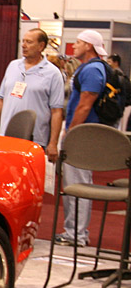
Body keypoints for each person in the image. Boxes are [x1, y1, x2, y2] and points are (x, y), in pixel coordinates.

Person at [55, 30, 110, 246]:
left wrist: (72, 131)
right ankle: (74, 232)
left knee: (78, 183)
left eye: (77, 43)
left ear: (89, 46)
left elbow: (86, 103)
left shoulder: (93, 69)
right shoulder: (90, 69)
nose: (73, 46)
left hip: (83, 135)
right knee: (74, 182)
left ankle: (76, 234)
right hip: (82, 133)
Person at [0, 28, 64, 160]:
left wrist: (53, 143)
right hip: (7, 137)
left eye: (29, 42)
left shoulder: (53, 73)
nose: (23, 45)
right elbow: (1, 99)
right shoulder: (13, 65)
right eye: (23, 41)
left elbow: (56, 111)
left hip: (34, 139)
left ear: (41, 46)